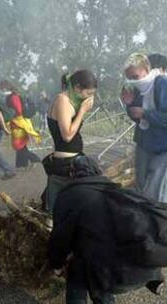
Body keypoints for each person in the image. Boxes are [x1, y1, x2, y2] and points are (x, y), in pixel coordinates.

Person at [49, 162, 164, 304]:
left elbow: (60, 239)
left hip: (107, 270)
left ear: (72, 175)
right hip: (140, 269)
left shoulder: (69, 196)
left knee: (78, 271)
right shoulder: (118, 191)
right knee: (100, 280)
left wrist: (57, 265)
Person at [120, 53, 167, 203]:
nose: (132, 80)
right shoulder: (139, 87)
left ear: (146, 69)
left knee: (156, 195)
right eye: (129, 77)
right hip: (146, 145)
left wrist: (147, 114)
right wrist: (130, 104)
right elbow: (139, 119)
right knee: (142, 190)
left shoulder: (163, 84)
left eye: (135, 76)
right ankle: (145, 221)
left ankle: (162, 224)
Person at [42, 70, 97, 213]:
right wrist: (83, 111)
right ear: (78, 88)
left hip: (74, 157)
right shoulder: (63, 100)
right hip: (67, 162)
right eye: (88, 93)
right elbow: (67, 136)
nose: (90, 98)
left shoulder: (71, 100)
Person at [0, 80, 41, 170]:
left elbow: (18, 111)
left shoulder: (13, 97)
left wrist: (10, 115)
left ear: (6, 87)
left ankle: (34, 159)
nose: (1, 90)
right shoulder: (11, 96)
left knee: (18, 144)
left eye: (2, 88)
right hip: (17, 122)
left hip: (19, 122)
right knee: (21, 144)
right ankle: (22, 164)